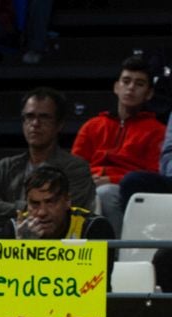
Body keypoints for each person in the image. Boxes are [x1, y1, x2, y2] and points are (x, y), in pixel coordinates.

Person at [0, 87, 95, 233]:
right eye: (29, 117)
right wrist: (26, 207)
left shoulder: (75, 168)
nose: (35, 123)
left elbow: (65, 213)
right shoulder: (5, 166)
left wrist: (12, 209)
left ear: (59, 124)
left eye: (44, 117)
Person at [71, 56, 166, 234]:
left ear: (149, 93)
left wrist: (112, 179)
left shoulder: (158, 131)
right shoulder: (93, 125)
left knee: (105, 193)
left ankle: (114, 254)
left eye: (139, 84)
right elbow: (75, 166)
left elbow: (153, 175)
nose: (131, 88)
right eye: (126, 81)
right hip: (89, 184)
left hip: (127, 191)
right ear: (116, 87)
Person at [13, 165, 115, 242]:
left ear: (67, 201)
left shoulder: (93, 227)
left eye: (50, 202)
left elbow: (100, 270)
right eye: (35, 204)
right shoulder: (15, 230)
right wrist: (24, 246)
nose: (42, 213)